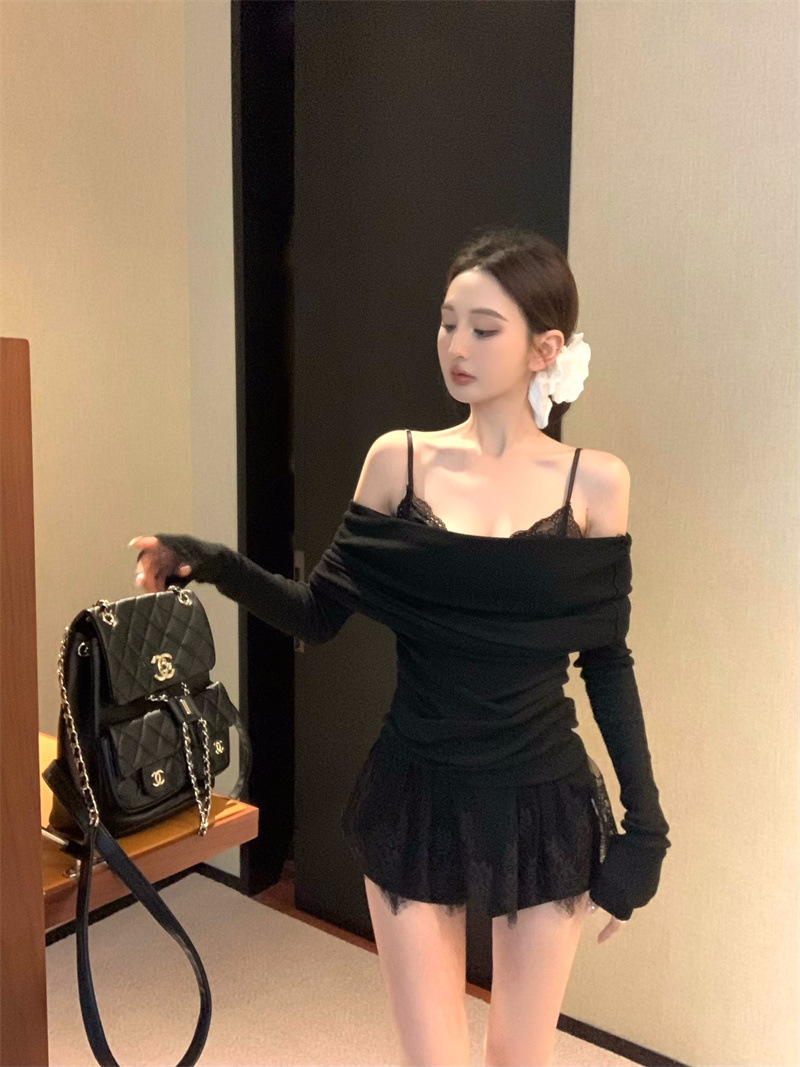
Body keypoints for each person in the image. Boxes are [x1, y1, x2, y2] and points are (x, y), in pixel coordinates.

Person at [129, 227, 670, 1067]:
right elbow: (317, 614)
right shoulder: (399, 462)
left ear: (545, 348)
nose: (457, 346)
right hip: (415, 791)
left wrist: (647, 828)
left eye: (483, 328)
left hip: (542, 802)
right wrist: (217, 563)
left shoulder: (596, 482)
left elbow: (606, 660)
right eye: (447, 322)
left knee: (520, 1059)